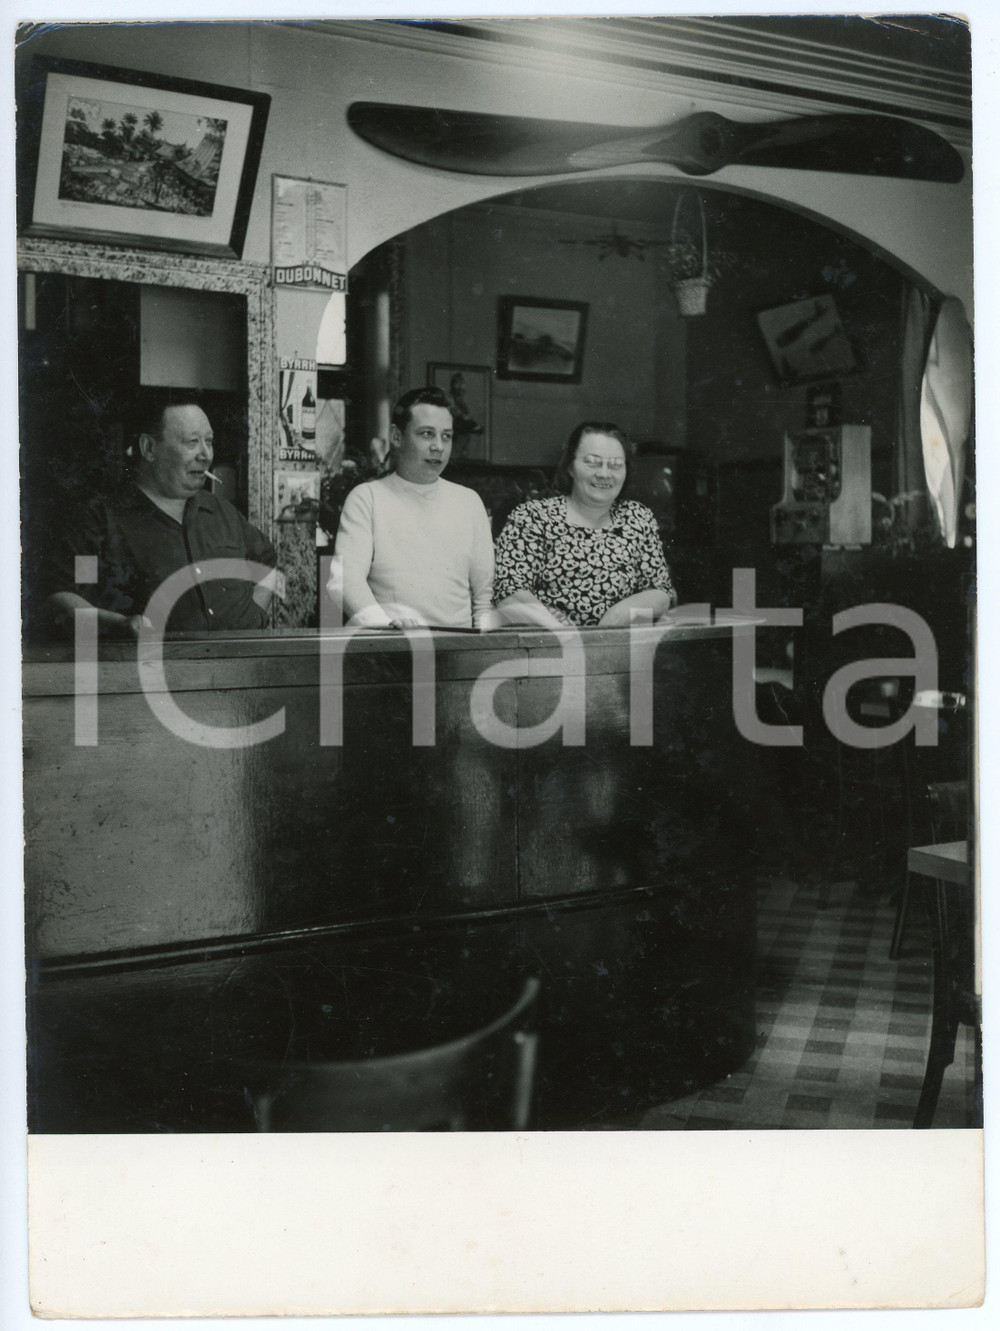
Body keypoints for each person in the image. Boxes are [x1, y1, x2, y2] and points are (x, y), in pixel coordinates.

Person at [47, 398, 278, 636]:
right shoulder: (101, 521)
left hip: (236, 668)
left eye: (209, 442)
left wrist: (254, 617)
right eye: (192, 442)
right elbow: (62, 594)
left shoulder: (223, 513)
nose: (206, 455)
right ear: (149, 448)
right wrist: (117, 625)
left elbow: (267, 564)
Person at [332, 386, 494, 628]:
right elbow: (344, 581)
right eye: (427, 434)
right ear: (397, 437)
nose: (438, 446)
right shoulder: (367, 498)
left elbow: (484, 599)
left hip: (454, 648)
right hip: (386, 647)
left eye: (446, 436)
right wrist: (386, 625)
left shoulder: (469, 502)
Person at [493, 421, 676, 628]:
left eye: (615, 465)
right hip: (547, 648)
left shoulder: (637, 518)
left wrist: (615, 618)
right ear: (570, 466)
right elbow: (509, 591)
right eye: (592, 462)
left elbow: (660, 591)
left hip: (618, 649)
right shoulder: (533, 517)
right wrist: (566, 636)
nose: (604, 474)